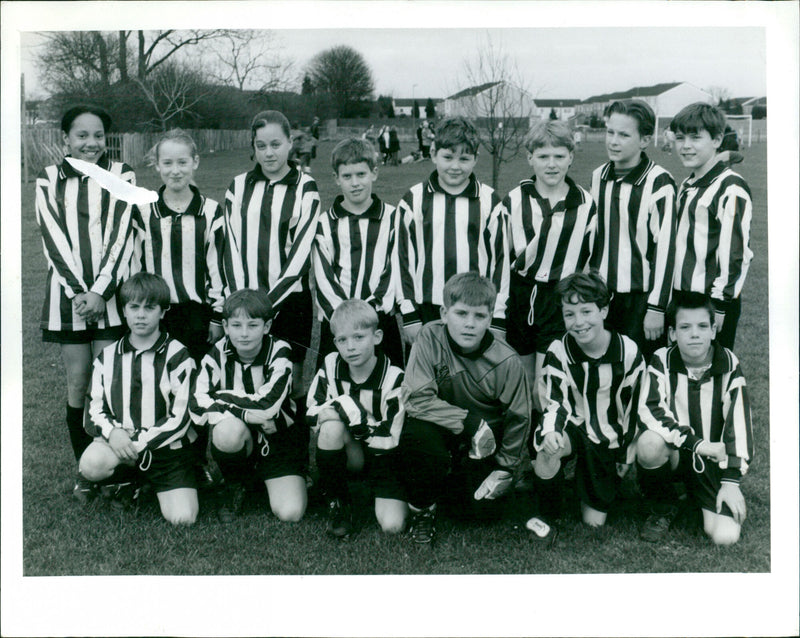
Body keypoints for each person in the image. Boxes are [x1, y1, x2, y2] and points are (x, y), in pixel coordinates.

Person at [35, 105, 137, 502]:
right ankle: (86, 470)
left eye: (98, 136)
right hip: (69, 299)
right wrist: (81, 291)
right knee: (78, 383)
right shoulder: (48, 178)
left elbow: (122, 232)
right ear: (66, 139)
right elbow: (52, 237)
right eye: (81, 135)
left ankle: (119, 468)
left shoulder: (122, 174)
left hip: (110, 298)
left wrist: (101, 291)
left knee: (112, 385)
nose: (90, 143)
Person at [399, 273, 531, 544]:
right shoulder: (428, 337)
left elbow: (519, 419)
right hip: (444, 427)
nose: (470, 324)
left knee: (478, 514)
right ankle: (422, 509)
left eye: (480, 316)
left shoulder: (507, 360)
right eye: (461, 313)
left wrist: (505, 469)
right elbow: (416, 398)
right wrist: (469, 422)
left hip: (486, 442)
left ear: (491, 317)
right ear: (444, 313)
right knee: (417, 436)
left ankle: (454, 477)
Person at [526, 272, 645, 541]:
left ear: (603, 310)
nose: (579, 322)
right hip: (575, 425)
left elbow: (635, 408)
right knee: (547, 448)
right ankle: (548, 514)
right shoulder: (559, 350)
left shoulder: (628, 352)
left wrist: (626, 452)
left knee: (594, 522)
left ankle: (590, 483)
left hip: (608, 436)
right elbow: (555, 401)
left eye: (586, 311)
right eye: (570, 314)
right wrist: (551, 433)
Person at [221, 110, 321, 419]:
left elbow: (302, 254)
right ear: (253, 147)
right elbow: (231, 246)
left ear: (291, 143)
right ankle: (250, 452)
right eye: (261, 145)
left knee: (293, 378)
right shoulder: (238, 186)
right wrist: (244, 302)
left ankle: (294, 455)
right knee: (251, 376)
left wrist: (267, 303)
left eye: (276, 144)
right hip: (246, 303)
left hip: (291, 302)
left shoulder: (306, 187)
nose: (269, 152)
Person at [78, 273, 199, 525]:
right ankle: (127, 480)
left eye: (149, 308)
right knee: (91, 464)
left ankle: (153, 481)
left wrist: (137, 443)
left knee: (183, 518)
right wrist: (113, 433)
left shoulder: (179, 356)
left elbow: (181, 418)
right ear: (124, 311)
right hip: (120, 444)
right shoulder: (107, 356)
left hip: (167, 452)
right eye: (134, 307)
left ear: (162, 312)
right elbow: (94, 407)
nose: (141, 315)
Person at [636, 293, 752, 545]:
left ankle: (697, 497)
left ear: (713, 330)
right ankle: (665, 504)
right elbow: (651, 409)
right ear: (673, 333)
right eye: (685, 327)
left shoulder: (729, 363)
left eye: (702, 326)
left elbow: (739, 424)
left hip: (711, 462)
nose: (695, 334)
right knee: (648, 444)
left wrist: (731, 481)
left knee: (724, 537)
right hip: (677, 453)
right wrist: (695, 443)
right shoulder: (662, 360)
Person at [504, 119, 597, 411]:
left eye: (559, 156)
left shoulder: (584, 204)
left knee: (547, 375)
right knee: (521, 372)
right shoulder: (515, 200)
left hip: (558, 297)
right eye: (543, 156)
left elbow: (592, 260)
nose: (552, 164)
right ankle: (519, 434)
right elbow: (500, 254)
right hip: (519, 294)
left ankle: (543, 438)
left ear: (571, 157)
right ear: (530, 158)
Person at [192, 289, 307, 523]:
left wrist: (221, 397)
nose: (244, 334)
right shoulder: (216, 353)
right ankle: (236, 482)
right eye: (236, 325)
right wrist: (245, 414)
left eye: (252, 325)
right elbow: (197, 403)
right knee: (226, 432)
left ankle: (274, 476)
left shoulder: (280, 351)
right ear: (225, 326)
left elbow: (267, 407)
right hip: (242, 435)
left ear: (266, 327)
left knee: (291, 513)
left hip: (277, 438)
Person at [396, 116, 510, 348]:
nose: (455, 166)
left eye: (464, 158)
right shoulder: (414, 199)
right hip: (426, 306)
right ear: (433, 153)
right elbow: (401, 259)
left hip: (475, 309)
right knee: (426, 380)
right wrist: (408, 313)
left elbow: (501, 263)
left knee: (471, 380)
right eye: (447, 157)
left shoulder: (489, 201)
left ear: (475, 159)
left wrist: (497, 316)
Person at [306, 300, 407, 538]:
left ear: (378, 336)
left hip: (384, 459)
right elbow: (312, 412)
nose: (350, 347)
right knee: (330, 428)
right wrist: (337, 417)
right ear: (335, 343)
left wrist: (346, 407)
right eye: (342, 340)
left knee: (393, 526)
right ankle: (338, 502)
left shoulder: (394, 378)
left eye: (359, 337)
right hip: (354, 453)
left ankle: (380, 492)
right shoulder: (331, 364)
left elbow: (391, 438)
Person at [589, 100, 677, 360]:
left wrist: (657, 308)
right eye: (610, 132)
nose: (613, 141)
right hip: (601, 294)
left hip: (639, 300)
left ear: (645, 140)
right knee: (605, 367)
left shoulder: (659, 182)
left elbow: (666, 249)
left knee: (639, 369)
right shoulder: (598, 176)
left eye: (624, 135)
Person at [132, 129, 225, 363]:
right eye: (168, 163)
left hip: (197, 315)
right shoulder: (144, 211)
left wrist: (216, 317)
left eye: (182, 162)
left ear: (195, 162)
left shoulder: (211, 211)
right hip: (154, 312)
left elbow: (218, 267)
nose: (175, 170)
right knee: (157, 379)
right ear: (157, 165)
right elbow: (135, 265)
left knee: (195, 381)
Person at [312, 137, 404, 368]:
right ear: (336, 179)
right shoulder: (324, 223)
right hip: (337, 322)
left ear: (374, 173)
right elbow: (323, 277)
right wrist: (345, 316)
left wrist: (370, 312)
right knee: (333, 388)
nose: (355, 183)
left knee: (388, 386)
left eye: (361, 175)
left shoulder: (393, 218)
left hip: (379, 320)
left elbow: (394, 268)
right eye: (347, 176)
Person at [669, 103, 753, 349]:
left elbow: (735, 253)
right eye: (680, 138)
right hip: (682, 297)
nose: (685, 145)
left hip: (711, 301)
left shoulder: (730, 187)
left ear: (717, 140)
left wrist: (720, 306)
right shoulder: (687, 183)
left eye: (695, 138)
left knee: (709, 376)